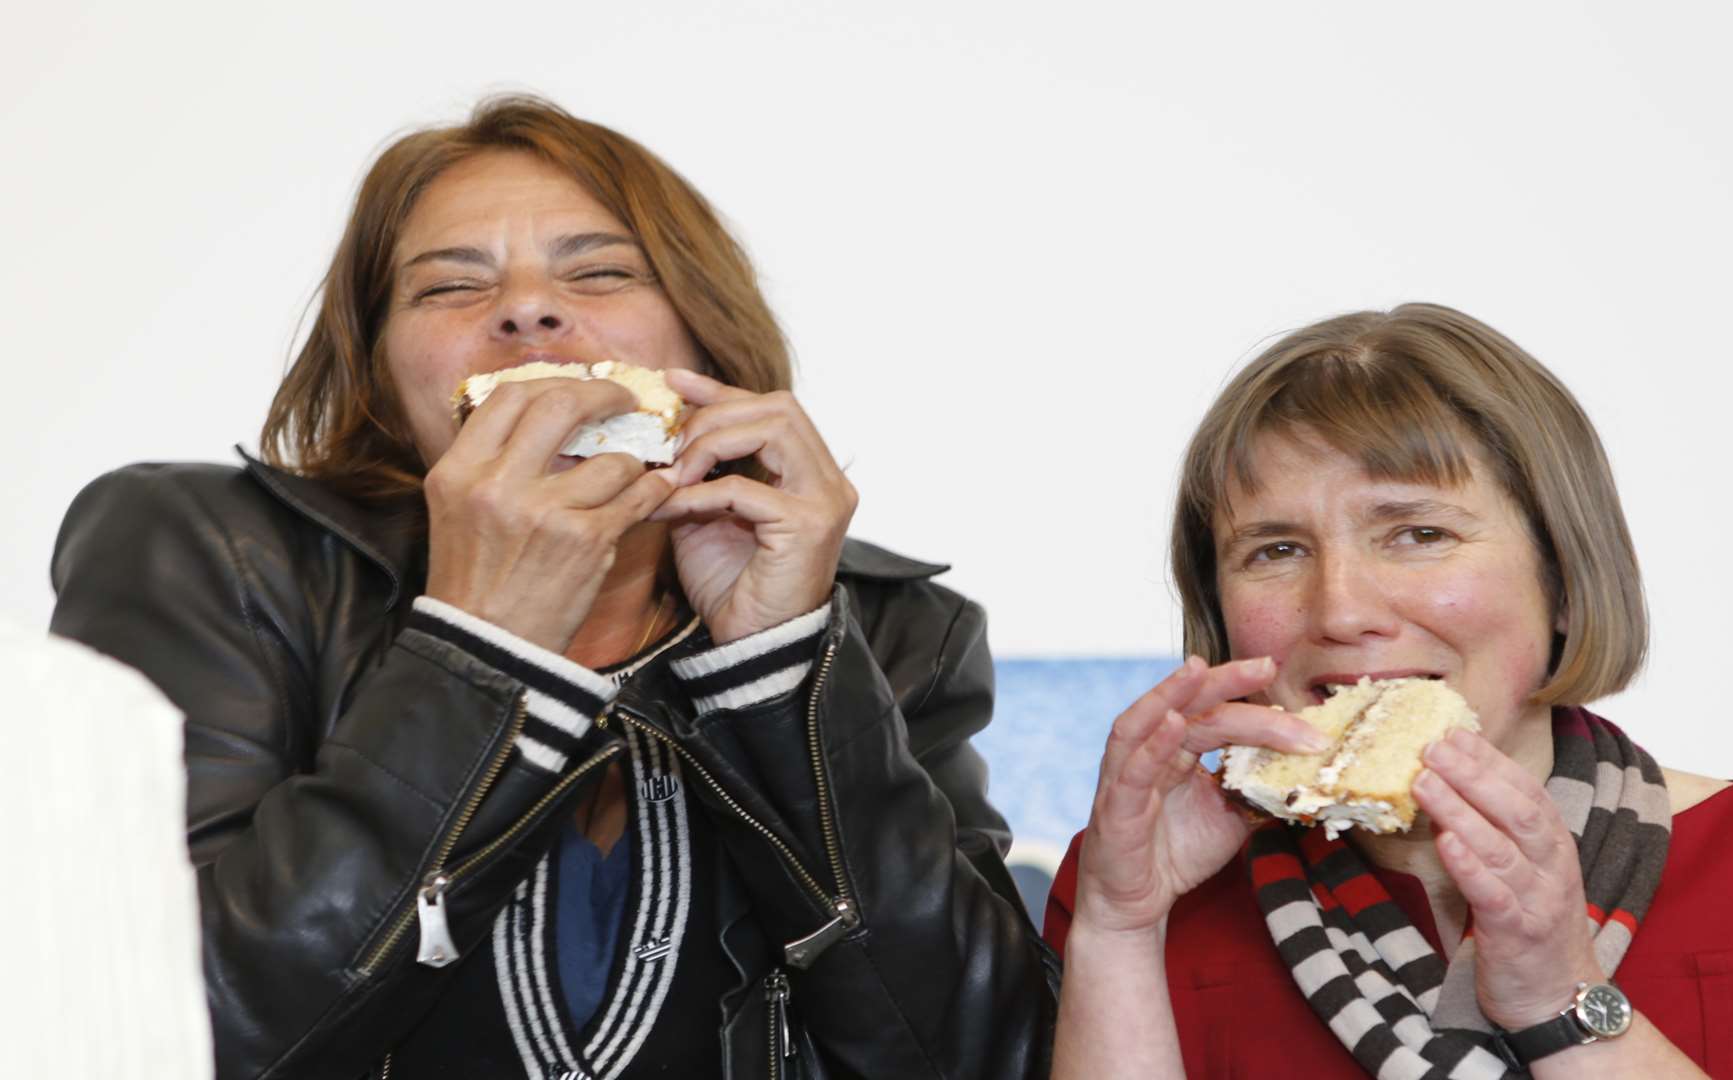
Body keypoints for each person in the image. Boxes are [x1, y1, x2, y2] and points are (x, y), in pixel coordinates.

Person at [51, 96, 1055, 1080]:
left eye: (602, 271)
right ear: (384, 388)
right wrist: (481, 646)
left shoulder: (881, 629)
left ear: (705, 346)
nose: (527, 309)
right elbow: (166, 1040)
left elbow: (985, 1058)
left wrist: (777, 670)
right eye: (449, 288)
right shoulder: (212, 556)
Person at [1044, 304, 1733, 1078]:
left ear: (1565, 578)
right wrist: (1120, 935)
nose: (1341, 610)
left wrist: (1562, 996)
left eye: (1418, 533)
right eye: (1274, 550)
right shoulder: (1141, 881)